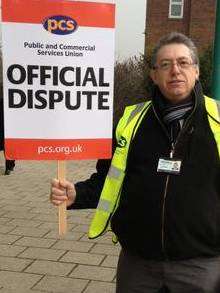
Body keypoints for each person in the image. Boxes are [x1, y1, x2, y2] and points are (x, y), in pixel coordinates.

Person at [50, 32, 220, 292]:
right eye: (165, 64)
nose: (175, 70)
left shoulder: (218, 119)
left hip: (201, 266)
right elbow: (108, 178)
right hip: (138, 265)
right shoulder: (130, 120)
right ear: (153, 74)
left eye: (183, 62)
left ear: (196, 70)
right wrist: (77, 193)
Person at [0, 86, 15, 175]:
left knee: (7, 140)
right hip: (7, 102)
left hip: (7, 102)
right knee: (7, 140)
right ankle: (9, 166)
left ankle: (9, 165)